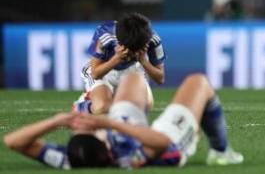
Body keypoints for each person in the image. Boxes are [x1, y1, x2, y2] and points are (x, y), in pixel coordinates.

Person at [4, 72, 243, 168]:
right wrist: (110, 124)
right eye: (86, 129)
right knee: (198, 82)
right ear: (107, 143)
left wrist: (58, 120)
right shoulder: (126, 155)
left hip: (127, 131)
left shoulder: (70, 159)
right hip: (165, 146)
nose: (80, 126)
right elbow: (160, 142)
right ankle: (221, 151)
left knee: (132, 78)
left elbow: (13, 141)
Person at [73, 13, 165, 115]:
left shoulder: (153, 40)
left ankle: (114, 98)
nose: (133, 54)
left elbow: (160, 78)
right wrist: (116, 58)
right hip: (104, 69)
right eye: (130, 50)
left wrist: (143, 61)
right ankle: (81, 106)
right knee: (102, 108)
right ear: (120, 42)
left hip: (132, 70)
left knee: (144, 105)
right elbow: (95, 73)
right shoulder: (105, 35)